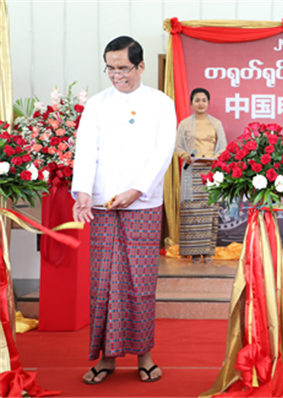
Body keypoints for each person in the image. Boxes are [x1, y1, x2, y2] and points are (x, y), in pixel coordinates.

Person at [71, 36, 176, 385]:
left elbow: (163, 151)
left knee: (139, 282)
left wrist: (137, 189)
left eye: (123, 69)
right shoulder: (97, 105)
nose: (117, 76)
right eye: (111, 69)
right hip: (102, 205)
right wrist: (83, 193)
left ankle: (144, 354)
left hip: (143, 203)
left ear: (140, 66)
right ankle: (107, 358)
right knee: (104, 283)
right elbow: (86, 150)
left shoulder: (161, 103)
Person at [174, 88, 226, 263]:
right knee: (192, 211)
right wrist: (185, 156)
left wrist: (215, 158)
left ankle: (208, 251)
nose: (201, 103)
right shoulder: (184, 124)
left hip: (210, 172)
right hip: (191, 172)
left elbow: (223, 148)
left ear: (208, 103)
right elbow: (177, 147)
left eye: (204, 100)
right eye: (197, 100)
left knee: (209, 210)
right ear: (191, 104)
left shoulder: (216, 123)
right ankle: (194, 251)